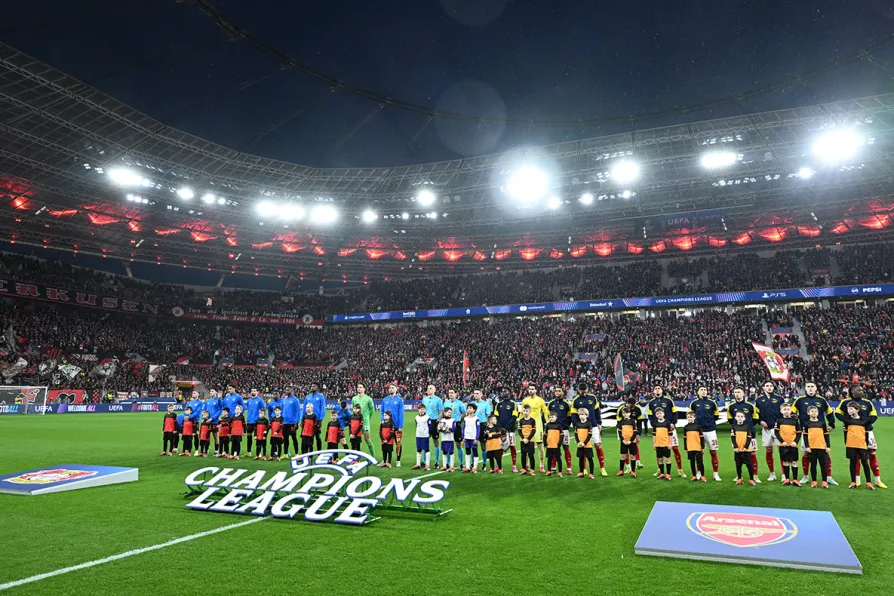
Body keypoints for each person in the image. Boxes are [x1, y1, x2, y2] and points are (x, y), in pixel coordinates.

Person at [836, 383, 885, 488]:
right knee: (855, 456)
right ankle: (856, 480)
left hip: (867, 431)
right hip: (851, 432)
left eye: (862, 390)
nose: (861, 391)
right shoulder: (845, 402)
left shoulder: (867, 402)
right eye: (859, 390)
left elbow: (874, 416)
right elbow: (837, 413)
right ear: (852, 391)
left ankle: (877, 480)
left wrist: (865, 422)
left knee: (872, 454)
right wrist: (847, 420)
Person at [793, 381, 838, 486]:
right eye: (808, 386)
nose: (810, 388)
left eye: (812, 386)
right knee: (806, 453)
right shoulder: (800, 400)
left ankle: (828, 477)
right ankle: (805, 476)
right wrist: (797, 425)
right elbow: (792, 413)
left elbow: (829, 412)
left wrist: (832, 424)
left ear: (816, 388)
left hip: (820, 431)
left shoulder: (821, 400)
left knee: (826, 453)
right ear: (805, 388)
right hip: (807, 431)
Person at [648, 386, 686, 478]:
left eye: (659, 388)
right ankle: (660, 470)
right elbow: (650, 415)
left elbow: (675, 412)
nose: (657, 389)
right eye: (655, 388)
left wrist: (673, 423)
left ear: (662, 390)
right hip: (659, 429)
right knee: (659, 449)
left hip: (670, 428)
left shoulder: (668, 400)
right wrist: (654, 424)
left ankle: (680, 470)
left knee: (675, 448)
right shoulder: (651, 402)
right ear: (653, 391)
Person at [572, 382, 607, 476]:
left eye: (585, 390)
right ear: (578, 390)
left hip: (593, 426)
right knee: (582, 446)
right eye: (581, 390)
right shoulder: (575, 400)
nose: (583, 392)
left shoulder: (593, 398)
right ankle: (584, 469)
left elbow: (597, 411)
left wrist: (599, 423)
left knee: (598, 445)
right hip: (582, 427)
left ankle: (602, 468)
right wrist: (576, 425)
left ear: (587, 389)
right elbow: (574, 415)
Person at [728, 387, 761, 483]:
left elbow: (755, 418)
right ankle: (739, 476)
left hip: (750, 434)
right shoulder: (731, 406)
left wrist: (748, 427)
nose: (737, 394)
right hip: (737, 434)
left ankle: (755, 475)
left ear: (743, 393)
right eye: (735, 392)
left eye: (739, 392)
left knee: (752, 454)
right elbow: (730, 419)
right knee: (737, 453)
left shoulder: (750, 406)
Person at [689, 386, 722, 481]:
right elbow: (691, 415)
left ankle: (716, 474)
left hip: (711, 431)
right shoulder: (694, 403)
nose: (703, 391)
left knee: (713, 452)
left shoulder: (712, 403)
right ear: (697, 392)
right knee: (699, 453)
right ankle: (699, 472)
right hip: (698, 432)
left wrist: (709, 422)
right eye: (701, 390)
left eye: (705, 390)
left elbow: (716, 415)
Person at [755, 381, 783, 482]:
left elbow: (784, 412)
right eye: (767, 386)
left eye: (771, 386)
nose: (769, 387)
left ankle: (784, 474)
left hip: (778, 429)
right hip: (766, 429)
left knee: (781, 451)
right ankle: (772, 474)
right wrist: (760, 421)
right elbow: (756, 414)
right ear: (763, 388)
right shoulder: (759, 400)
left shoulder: (779, 399)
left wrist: (780, 423)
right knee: (769, 451)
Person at [843, 402, 875, 490]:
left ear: (857, 410)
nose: (849, 410)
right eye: (848, 408)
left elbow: (866, 434)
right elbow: (845, 433)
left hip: (862, 445)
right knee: (852, 463)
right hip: (850, 445)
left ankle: (869, 482)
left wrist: (866, 444)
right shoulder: (846, 421)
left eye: (851, 408)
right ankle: (853, 482)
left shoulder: (864, 420)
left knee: (865, 463)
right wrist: (847, 443)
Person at [519, 385, 548, 472]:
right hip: (527, 427)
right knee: (526, 445)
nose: (530, 390)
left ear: (536, 390)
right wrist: (520, 422)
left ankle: (541, 465)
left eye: (532, 389)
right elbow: (522, 413)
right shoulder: (525, 401)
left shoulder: (540, 400)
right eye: (529, 389)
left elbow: (545, 412)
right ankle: (527, 465)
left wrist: (548, 422)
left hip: (538, 426)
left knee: (540, 445)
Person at [547, 386, 574, 475]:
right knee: (554, 448)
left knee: (566, 448)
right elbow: (547, 416)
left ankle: (569, 468)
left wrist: (566, 426)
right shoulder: (551, 403)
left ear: (563, 392)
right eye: (556, 391)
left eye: (559, 391)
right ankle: (553, 467)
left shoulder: (567, 404)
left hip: (564, 430)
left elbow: (570, 417)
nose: (557, 392)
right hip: (553, 430)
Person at [802, 405, 830, 488]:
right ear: (808, 413)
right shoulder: (806, 423)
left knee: (823, 465)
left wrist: (828, 446)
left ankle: (824, 481)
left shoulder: (822, 423)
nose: (814, 413)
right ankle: (814, 481)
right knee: (813, 465)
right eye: (812, 411)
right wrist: (807, 447)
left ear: (818, 413)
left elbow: (826, 435)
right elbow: (805, 436)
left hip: (822, 447)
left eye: (815, 411)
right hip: (812, 448)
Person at [774, 402, 801, 486]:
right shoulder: (779, 421)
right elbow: (776, 433)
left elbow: (799, 433)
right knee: (785, 462)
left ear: (791, 410)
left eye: (788, 409)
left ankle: (795, 479)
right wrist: (782, 442)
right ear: (781, 411)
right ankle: (787, 479)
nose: (786, 411)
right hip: (783, 445)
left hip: (793, 445)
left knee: (794, 462)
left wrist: (795, 442)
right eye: (784, 409)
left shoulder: (795, 421)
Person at [495, 388, 518, 473]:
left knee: (512, 447)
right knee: (500, 448)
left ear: (509, 393)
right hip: (501, 430)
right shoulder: (498, 404)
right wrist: (500, 428)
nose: (503, 392)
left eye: (505, 391)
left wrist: (507, 427)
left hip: (510, 430)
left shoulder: (513, 404)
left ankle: (514, 466)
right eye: (502, 391)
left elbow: (514, 416)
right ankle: (499, 465)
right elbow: (496, 417)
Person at [382, 383, 406, 467]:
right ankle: (385, 460)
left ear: (396, 389)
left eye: (392, 388)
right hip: (387, 426)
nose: (391, 389)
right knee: (386, 442)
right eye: (390, 388)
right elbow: (382, 411)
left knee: (398, 443)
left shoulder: (399, 400)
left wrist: (400, 426)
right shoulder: (385, 400)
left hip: (396, 426)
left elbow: (401, 414)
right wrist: (382, 420)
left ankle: (398, 460)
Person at [617, 398, 644, 470]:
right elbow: (618, 420)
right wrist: (621, 431)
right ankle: (627, 466)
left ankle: (637, 462)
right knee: (624, 448)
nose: (633, 406)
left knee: (635, 446)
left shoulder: (637, 409)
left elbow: (639, 422)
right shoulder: (621, 408)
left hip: (633, 430)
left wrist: (638, 433)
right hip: (623, 429)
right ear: (628, 403)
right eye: (632, 405)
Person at [351, 383, 377, 457]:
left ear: (364, 389)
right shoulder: (354, 398)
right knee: (355, 440)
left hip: (365, 422)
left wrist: (368, 417)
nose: (359, 388)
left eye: (360, 387)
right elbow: (353, 409)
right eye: (358, 387)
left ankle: (373, 457)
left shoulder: (368, 399)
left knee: (367, 439)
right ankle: (356, 458)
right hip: (356, 423)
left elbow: (372, 410)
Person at [730, 411, 756, 486]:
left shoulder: (747, 427)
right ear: (735, 418)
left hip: (746, 450)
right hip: (738, 450)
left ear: (744, 418)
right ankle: (739, 478)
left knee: (749, 465)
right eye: (738, 416)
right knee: (738, 465)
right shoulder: (734, 427)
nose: (740, 418)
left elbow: (749, 437)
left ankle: (751, 479)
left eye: (742, 416)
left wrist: (746, 447)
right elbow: (733, 438)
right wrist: (735, 447)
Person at [421, 385, 444, 467]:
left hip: (434, 421)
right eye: (428, 388)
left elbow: (441, 411)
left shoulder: (438, 400)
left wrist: (439, 420)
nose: (429, 390)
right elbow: (422, 410)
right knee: (425, 440)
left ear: (434, 390)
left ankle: (436, 461)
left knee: (435, 441)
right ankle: (424, 461)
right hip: (426, 421)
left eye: (430, 388)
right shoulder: (424, 399)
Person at [443, 389, 465, 469]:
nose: (450, 394)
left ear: (456, 394)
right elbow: (444, 413)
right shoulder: (446, 403)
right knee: (448, 444)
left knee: (458, 444)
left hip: (457, 425)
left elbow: (464, 413)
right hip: (447, 425)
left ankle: (461, 463)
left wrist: (459, 422)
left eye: (452, 393)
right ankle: (448, 463)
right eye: (449, 393)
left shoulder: (460, 403)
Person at [683, 411, 707, 482]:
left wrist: (702, 447)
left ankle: (702, 476)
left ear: (694, 418)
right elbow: (685, 438)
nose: (689, 418)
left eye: (691, 417)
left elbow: (702, 437)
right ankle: (694, 476)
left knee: (700, 462)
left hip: (697, 447)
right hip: (690, 447)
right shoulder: (686, 427)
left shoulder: (698, 427)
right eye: (688, 417)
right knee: (692, 462)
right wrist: (685, 448)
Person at [652, 408, 673, 481]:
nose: (659, 415)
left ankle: (668, 474)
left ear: (663, 414)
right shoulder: (655, 424)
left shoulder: (667, 423)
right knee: (660, 459)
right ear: (656, 415)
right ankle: (662, 473)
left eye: (660, 413)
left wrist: (670, 443)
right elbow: (654, 435)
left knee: (667, 459)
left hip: (666, 444)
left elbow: (670, 434)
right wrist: (654, 443)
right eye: (657, 414)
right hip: (658, 444)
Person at [573, 408, 595, 479]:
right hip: (580, 445)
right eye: (579, 414)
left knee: (590, 459)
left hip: (587, 445)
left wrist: (584, 443)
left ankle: (591, 473)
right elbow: (576, 434)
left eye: (582, 414)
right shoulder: (577, 424)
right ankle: (581, 472)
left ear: (586, 415)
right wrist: (578, 442)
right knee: (581, 459)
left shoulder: (589, 424)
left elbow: (589, 435)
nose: (581, 416)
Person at [616, 407, 639, 477]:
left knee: (632, 456)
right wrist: (622, 440)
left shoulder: (633, 421)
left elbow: (635, 432)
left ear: (629, 413)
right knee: (622, 456)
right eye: (623, 413)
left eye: (626, 413)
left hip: (632, 442)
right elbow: (619, 432)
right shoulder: (621, 422)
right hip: (624, 442)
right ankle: (621, 470)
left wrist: (631, 441)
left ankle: (633, 471)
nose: (625, 414)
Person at [306, 383, 327, 450]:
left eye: (314, 386)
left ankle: (319, 452)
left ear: (317, 388)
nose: (312, 387)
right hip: (308, 419)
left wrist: (320, 420)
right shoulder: (308, 396)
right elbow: (304, 408)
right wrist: (302, 419)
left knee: (317, 436)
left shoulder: (321, 397)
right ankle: (310, 452)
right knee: (309, 436)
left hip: (317, 420)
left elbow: (322, 408)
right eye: (311, 386)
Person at [244, 388, 265, 456]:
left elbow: (263, 410)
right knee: (249, 437)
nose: (253, 392)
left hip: (257, 421)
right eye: (252, 391)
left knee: (258, 437)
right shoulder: (249, 400)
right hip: (249, 421)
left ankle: (259, 452)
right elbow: (247, 409)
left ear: (257, 392)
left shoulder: (260, 400)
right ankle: (249, 452)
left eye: (254, 391)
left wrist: (260, 419)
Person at [280, 390, 301, 457]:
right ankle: (285, 454)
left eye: (288, 389)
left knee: (294, 438)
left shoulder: (295, 400)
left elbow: (298, 411)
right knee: (285, 438)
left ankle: (296, 453)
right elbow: (282, 410)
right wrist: (281, 419)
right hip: (285, 422)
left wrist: (296, 422)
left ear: (291, 391)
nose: (286, 391)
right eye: (286, 389)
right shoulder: (283, 400)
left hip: (292, 423)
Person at [518, 405, 537, 475]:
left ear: (530, 411)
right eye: (524, 411)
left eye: (526, 411)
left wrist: (528, 439)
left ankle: (532, 469)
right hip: (522, 440)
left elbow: (533, 431)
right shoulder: (521, 421)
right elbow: (519, 431)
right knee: (523, 455)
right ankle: (524, 469)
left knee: (531, 455)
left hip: (530, 440)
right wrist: (523, 438)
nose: (525, 412)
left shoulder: (532, 420)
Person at [543, 412, 564, 477]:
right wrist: (545, 443)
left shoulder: (559, 425)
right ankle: (549, 471)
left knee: (558, 459)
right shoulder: (547, 425)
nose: (551, 418)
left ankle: (560, 471)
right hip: (549, 445)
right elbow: (545, 435)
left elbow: (562, 435)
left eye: (552, 417)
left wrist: (559, 443)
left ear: (556, 417)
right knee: (549, 458)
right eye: (550, 417)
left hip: (556, 445)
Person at [462, 403, 481, 473]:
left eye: (470, 408)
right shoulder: (465, 418)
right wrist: (463, 437)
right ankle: (467, 467)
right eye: (468, 408)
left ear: (474, 410)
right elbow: (463, 428)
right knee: (467, 452)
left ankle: (474, 467)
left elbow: (478, 429)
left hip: (473, 438)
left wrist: (476, 438)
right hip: (467, 437)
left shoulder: (476, 419)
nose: (469, 409)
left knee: (475, 451)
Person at [204, 389, 223, 456]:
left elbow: (220, 411)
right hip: (207, 421)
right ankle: (206, 450)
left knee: (216, 436)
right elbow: (204, 410)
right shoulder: (208, 401)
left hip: (215, 421)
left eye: (212, 391)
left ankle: (216, 451)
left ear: (216, 392)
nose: (210, 392)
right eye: (210, 391)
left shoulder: (218, 400)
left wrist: (212, 418)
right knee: (207, 436)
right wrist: (204, 417)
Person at [413, 403, 431, 471]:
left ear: (425, 410)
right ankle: (418, 464)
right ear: (418, 410)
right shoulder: (416, 417)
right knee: (419, 449)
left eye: (423, 409)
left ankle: (427, 464)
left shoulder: (427, 417)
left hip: (425, 435)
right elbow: (416, 425)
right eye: (420, 409)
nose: (422, 410)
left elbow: (430, 426)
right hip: (418, 435)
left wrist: (429, 433)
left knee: (426, 449)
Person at [185, 391, 204, 455]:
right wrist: (185, 416)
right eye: (192, 393)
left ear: (198, 394)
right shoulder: (189, 402)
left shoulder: (200, 402)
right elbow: (185, 411)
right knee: (187, 435)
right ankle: (187, 449)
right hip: (188, 421)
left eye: (194, 393)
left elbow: (198, 412)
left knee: (195, 435)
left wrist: (190, 416)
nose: (193, 394)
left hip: (195, 421)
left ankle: (196, 450)